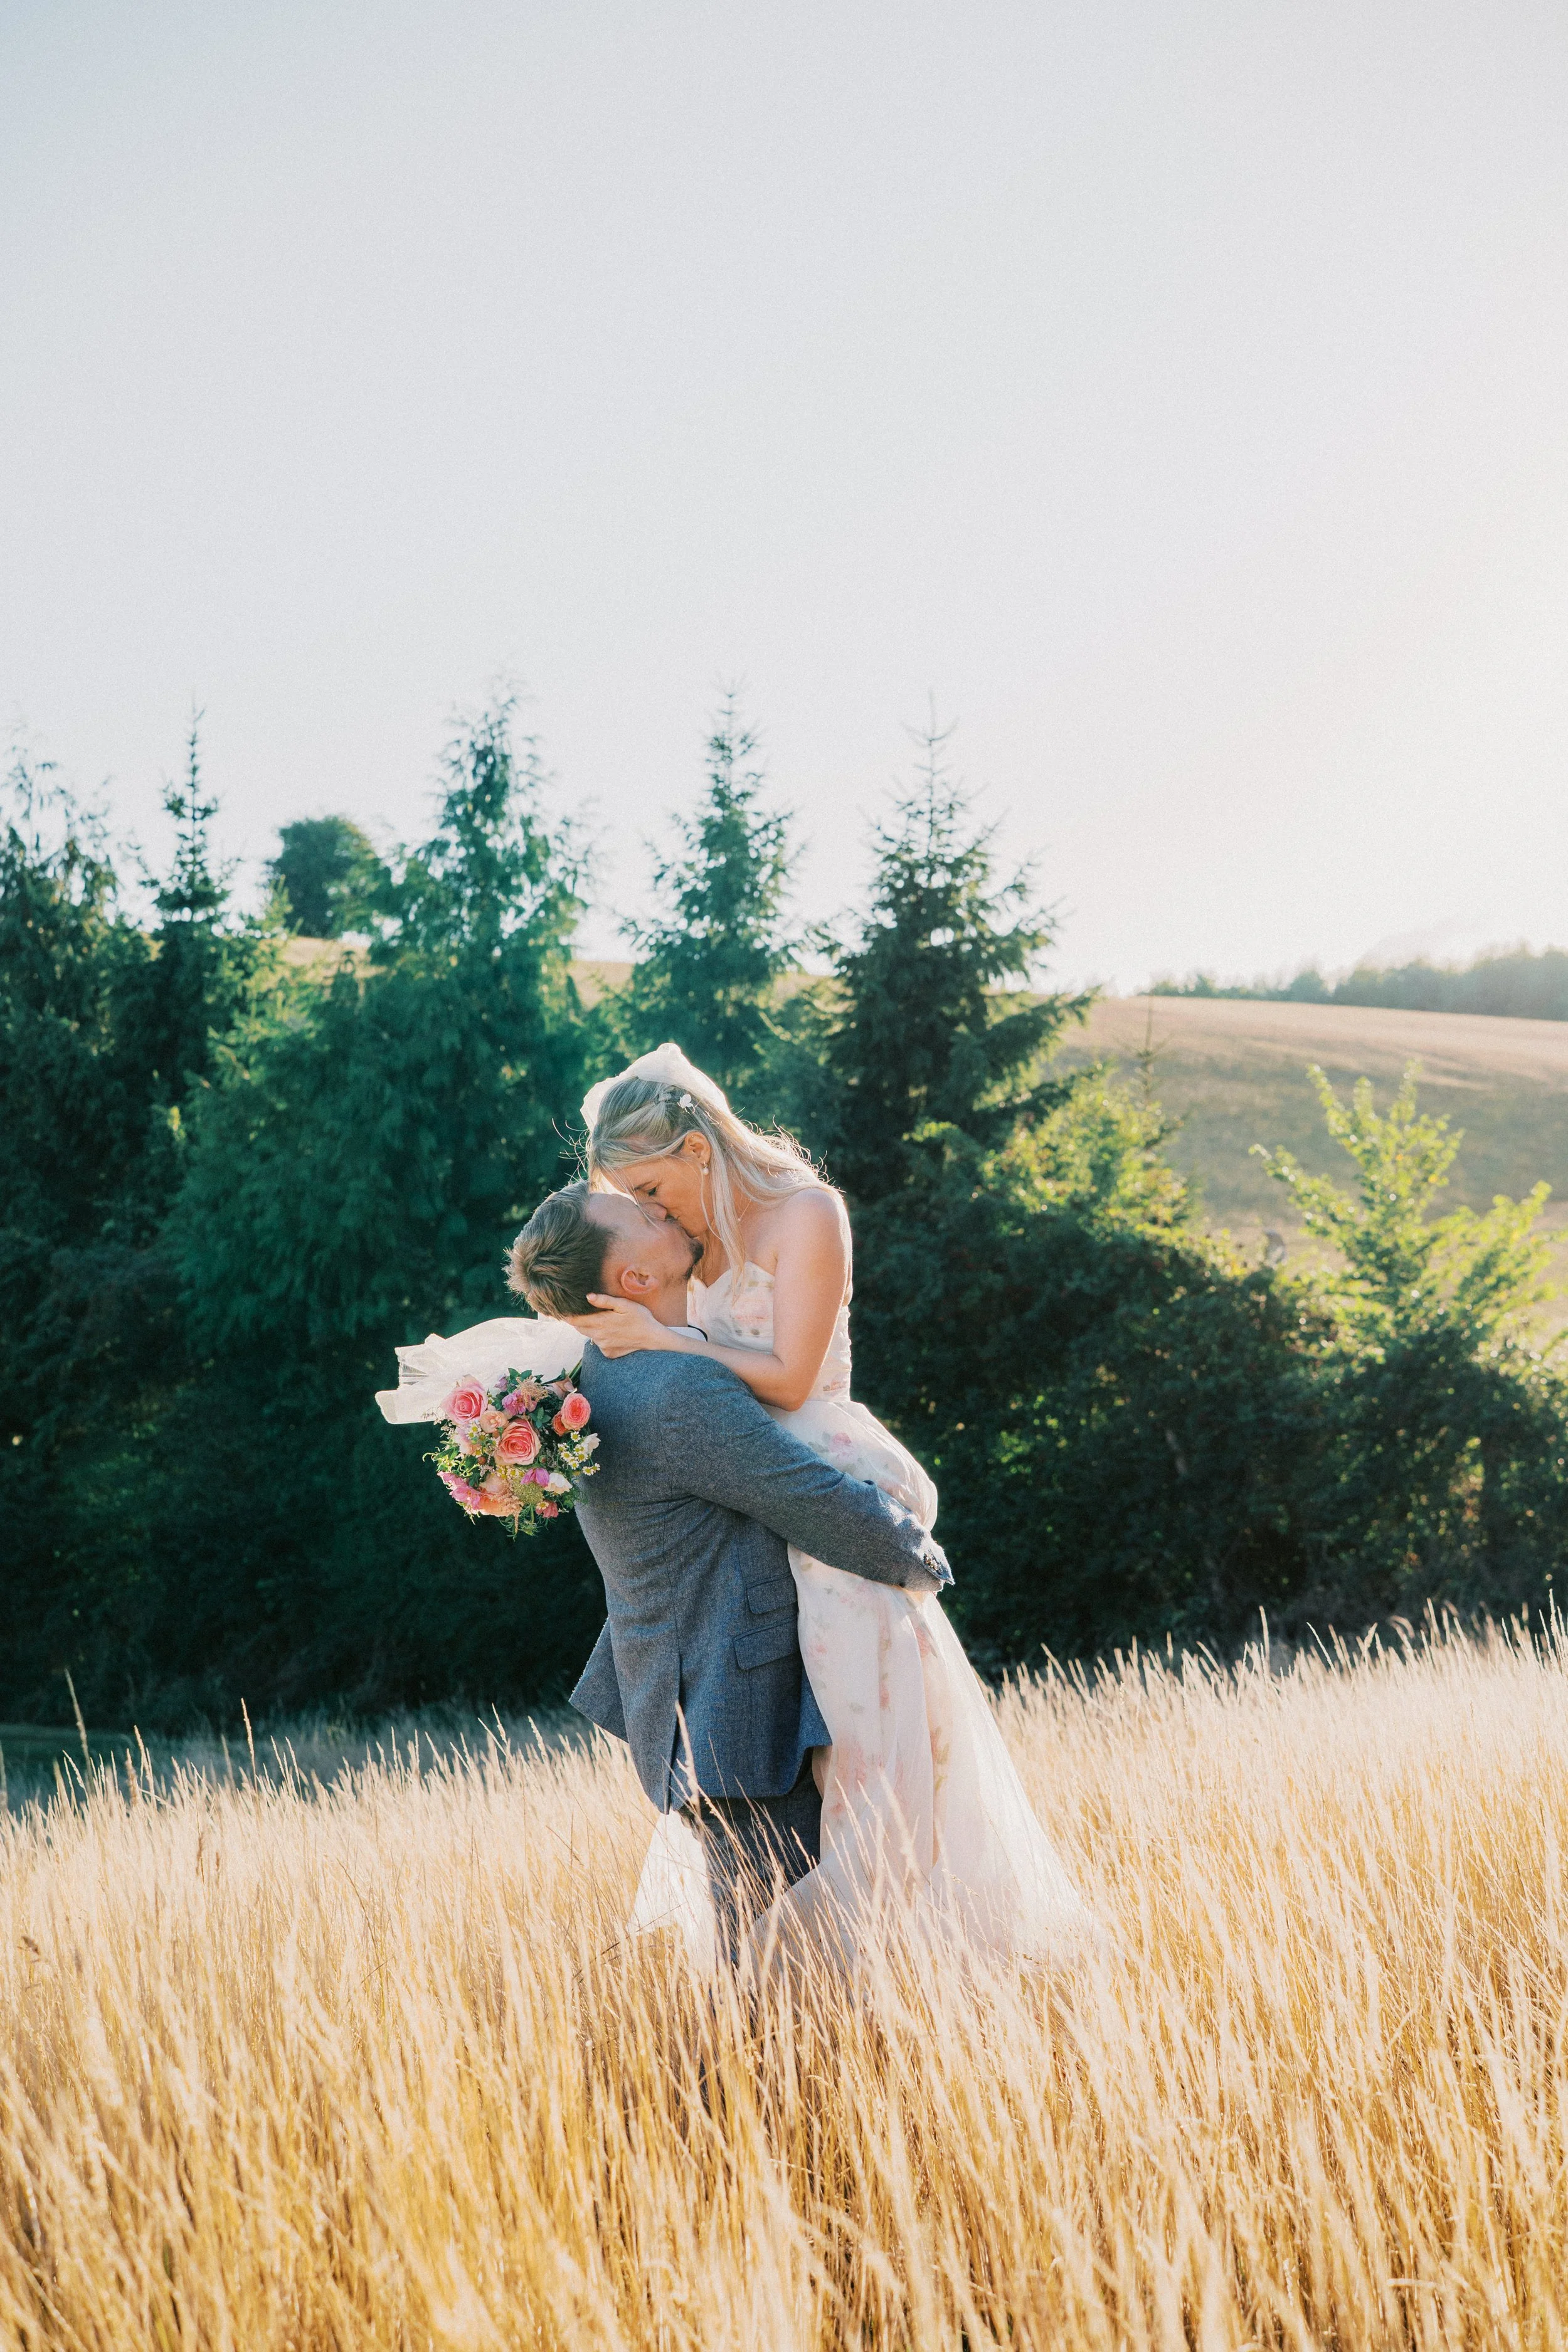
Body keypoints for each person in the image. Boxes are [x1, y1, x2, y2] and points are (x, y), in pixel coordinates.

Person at [559, 1042, 1096, 1970]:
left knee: (870, 1750)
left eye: (649, 1186)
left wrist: (664, 1340)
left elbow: (790, 1375)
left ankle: (891, 1965)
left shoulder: (805, 1214)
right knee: (777, 1770)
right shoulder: (686, 1245)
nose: (646, 1211)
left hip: (821, 1486)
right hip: (746, 1514)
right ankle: (787, 1987)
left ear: (697, 1149)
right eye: (630, 1198)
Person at [506, 1177, 952, 1967]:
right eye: (640, 1216)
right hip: (734, 1711)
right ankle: (738, 2091)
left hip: (689, 1704)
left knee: (757, 1954)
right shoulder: (680, 1389)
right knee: (778, 1969)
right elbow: (812, 1501)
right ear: (634, 1283)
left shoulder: (599, 1372)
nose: (660, 1209)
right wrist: (920, 1555)